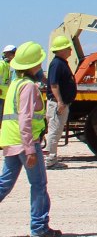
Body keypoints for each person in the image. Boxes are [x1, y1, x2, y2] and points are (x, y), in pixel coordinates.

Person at [0, 41, 60, 237]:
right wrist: (30, 149)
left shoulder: (15, 84)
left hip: (10, 141)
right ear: (33, 66)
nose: (41, 66)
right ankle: (39, 228)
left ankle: (39, 227)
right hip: (24, 144)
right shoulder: (28, 87)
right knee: (39, 185)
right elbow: (25, 118)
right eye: (39, 63)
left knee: (4, 184)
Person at [42, 37, 75, 171]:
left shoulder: (60, 63)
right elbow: (54, 84)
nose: (70, 50)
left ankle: (52, 158)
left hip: (59, 103)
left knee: (56, 130)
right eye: (68, 48)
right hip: (57, 104)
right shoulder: (57, 64)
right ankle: (51, 160)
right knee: (54, 131)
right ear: (61, 50)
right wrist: (60, 101)